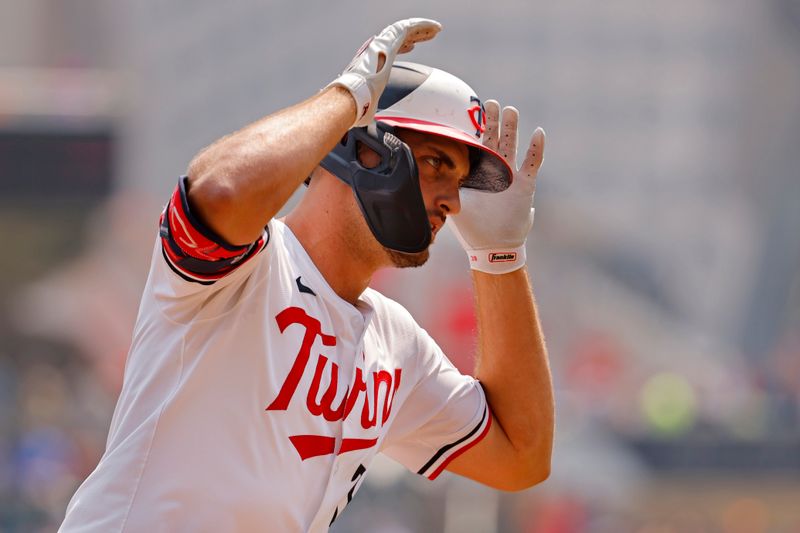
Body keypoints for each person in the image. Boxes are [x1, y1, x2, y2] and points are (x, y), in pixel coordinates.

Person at [59, 18, 554, 532]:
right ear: (365, 148)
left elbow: (522, 456)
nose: (452, 201)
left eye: (458, 179)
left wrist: (501, 255)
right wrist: (349, 95)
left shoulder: (396, 343)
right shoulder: (245, 265)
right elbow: (219, 190)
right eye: (434, 164)